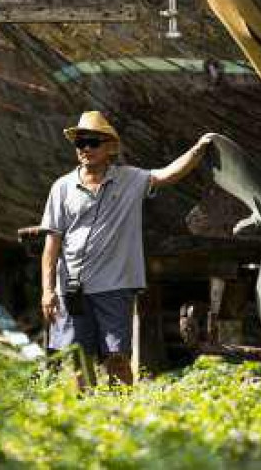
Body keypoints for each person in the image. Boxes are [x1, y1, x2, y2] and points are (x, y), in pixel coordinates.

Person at [40, 111, 213, 386]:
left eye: (93, 142)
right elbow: (51, 245)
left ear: (110, 147)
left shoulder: (130, 179)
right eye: (81, 142)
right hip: (71, 288)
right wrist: (48, 291)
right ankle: (85, 418)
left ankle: (121, 415)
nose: (86, 148)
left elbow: (167, 175)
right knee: (78, 359)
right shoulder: (61, 187)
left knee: (117, 357)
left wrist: (199, 149)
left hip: (114, 286)